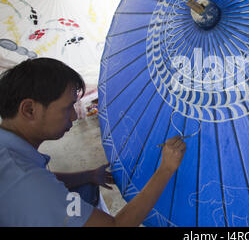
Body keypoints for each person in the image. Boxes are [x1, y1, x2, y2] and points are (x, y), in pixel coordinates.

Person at [0, 58, 186, 226]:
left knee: (86, 189)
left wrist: (87, 176)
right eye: (67, 108)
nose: (74, 116)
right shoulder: (26, 180)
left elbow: (42, 179)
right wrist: (166, 169)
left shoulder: (9, 152)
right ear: (30, 109)